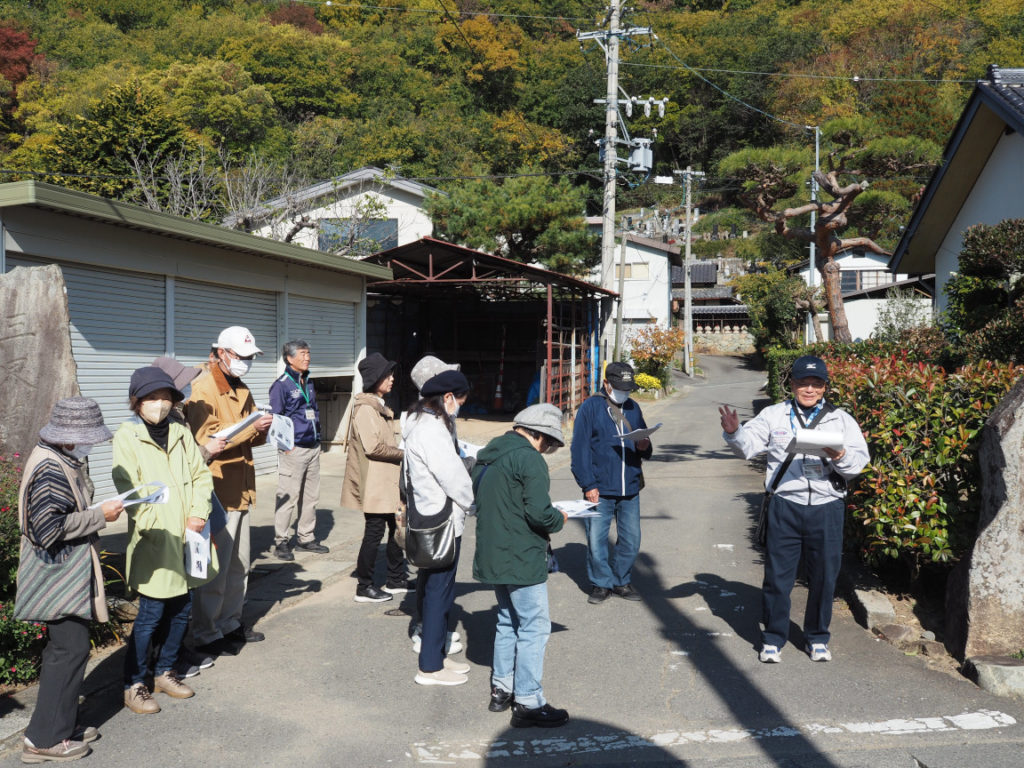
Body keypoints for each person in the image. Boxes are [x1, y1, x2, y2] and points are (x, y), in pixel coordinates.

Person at [719, 355, 869, 663]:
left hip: (827, 507)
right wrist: (735, 432)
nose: (810, 389)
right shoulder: (774, 415)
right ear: (792, 385)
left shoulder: (841, 420)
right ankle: (773, 637)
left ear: (825, 387)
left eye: (816, 384)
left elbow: (856, 465)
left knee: (825, 577)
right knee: (778, 577)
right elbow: (748, 447)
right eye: (803, 383)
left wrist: (838, 453)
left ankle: (817, 637)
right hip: (785, 505)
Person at [16, 398, 123, 763]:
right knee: (68, 651)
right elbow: (48, 530)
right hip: (57, 575)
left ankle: (59, 724)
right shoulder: (50, 468)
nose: (91, 443)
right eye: (87, 437)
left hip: (62, 573)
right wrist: (99, 516)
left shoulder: (57, 457)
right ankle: (44, 738)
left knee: (68, 649)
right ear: (68, 437)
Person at [113, 367, 218, 713]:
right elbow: (129, 489)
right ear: (137, 402)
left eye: (164, 397)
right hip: (155, 539)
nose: (159, 404)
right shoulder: (127, 436)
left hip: (188, 534)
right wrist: (154, 524)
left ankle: (165, 671)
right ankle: (135, 684)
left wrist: (199, 513)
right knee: (151, 615)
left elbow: (200, 476)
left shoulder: (179, 431)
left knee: (181, 609)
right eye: (151, 398)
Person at [472, 403, 570, 728]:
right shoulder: (529, 459)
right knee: (534, 626)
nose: (551, 449)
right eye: (551, 443)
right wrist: (562, 517)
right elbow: (541, 514)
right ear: (539, 436)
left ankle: (502, 688)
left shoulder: (488, 454)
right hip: (521, 554)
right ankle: (528, 700)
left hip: (493, 551)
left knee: (506, 620)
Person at [184, 326, 273, 656]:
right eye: (241, 357)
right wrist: (251, 428)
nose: (246, 363)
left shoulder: (240, 386)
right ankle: (207, 632)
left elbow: (249, 434)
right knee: (215, 568)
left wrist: (262, 428)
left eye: (250, 358)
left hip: (241, 486)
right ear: (221, 353)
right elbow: (206, 440)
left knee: (240, 564)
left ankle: (231, 623)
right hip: (218, 487)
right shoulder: (202, 388)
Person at [402, 369, 475, 686]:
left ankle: (437, 656)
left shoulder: (418, 421)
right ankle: (429, 667)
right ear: (446, 398)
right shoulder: (431, 429)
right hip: (440, 520)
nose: (460, 406)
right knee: (437, 593)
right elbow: (454, 476)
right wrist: (472, 502)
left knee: (436, 591)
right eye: (459, 400)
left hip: (427, 516)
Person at [570, 362, 653, 605]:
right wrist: (588, 484)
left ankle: (621, 580)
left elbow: (644, 444)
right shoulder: (590, 408)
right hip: (600, 487)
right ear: (606, 384)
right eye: (619, 387)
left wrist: (644, 447)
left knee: (631, 538)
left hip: (630, 487)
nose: (624, 392)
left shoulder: (634, 408)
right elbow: (580, 450)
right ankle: (601, 583)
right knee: (597, 539)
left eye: (628, 388)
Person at [342, 352, 408, 602]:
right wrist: (404, 454)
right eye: (387, 375)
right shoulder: (366, 409)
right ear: (375, 379)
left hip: (386, 481)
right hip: (374, 482)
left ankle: (395, 579)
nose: (391, 379)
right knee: (374, 532)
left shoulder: (378, 406)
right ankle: (364, 586)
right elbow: (373, 447)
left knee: (395, 528)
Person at [269, 340, 328, 561]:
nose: (307, 357)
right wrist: (285, 446)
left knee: (311, 496)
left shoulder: (308, 382)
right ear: (289, 358)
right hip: (293, 450)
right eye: (303, 354)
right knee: (288, 497)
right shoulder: (282, 385)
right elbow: (275, 418)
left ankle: (306, 537)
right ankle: (281, 541)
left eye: (308, 353)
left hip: (313, 447)